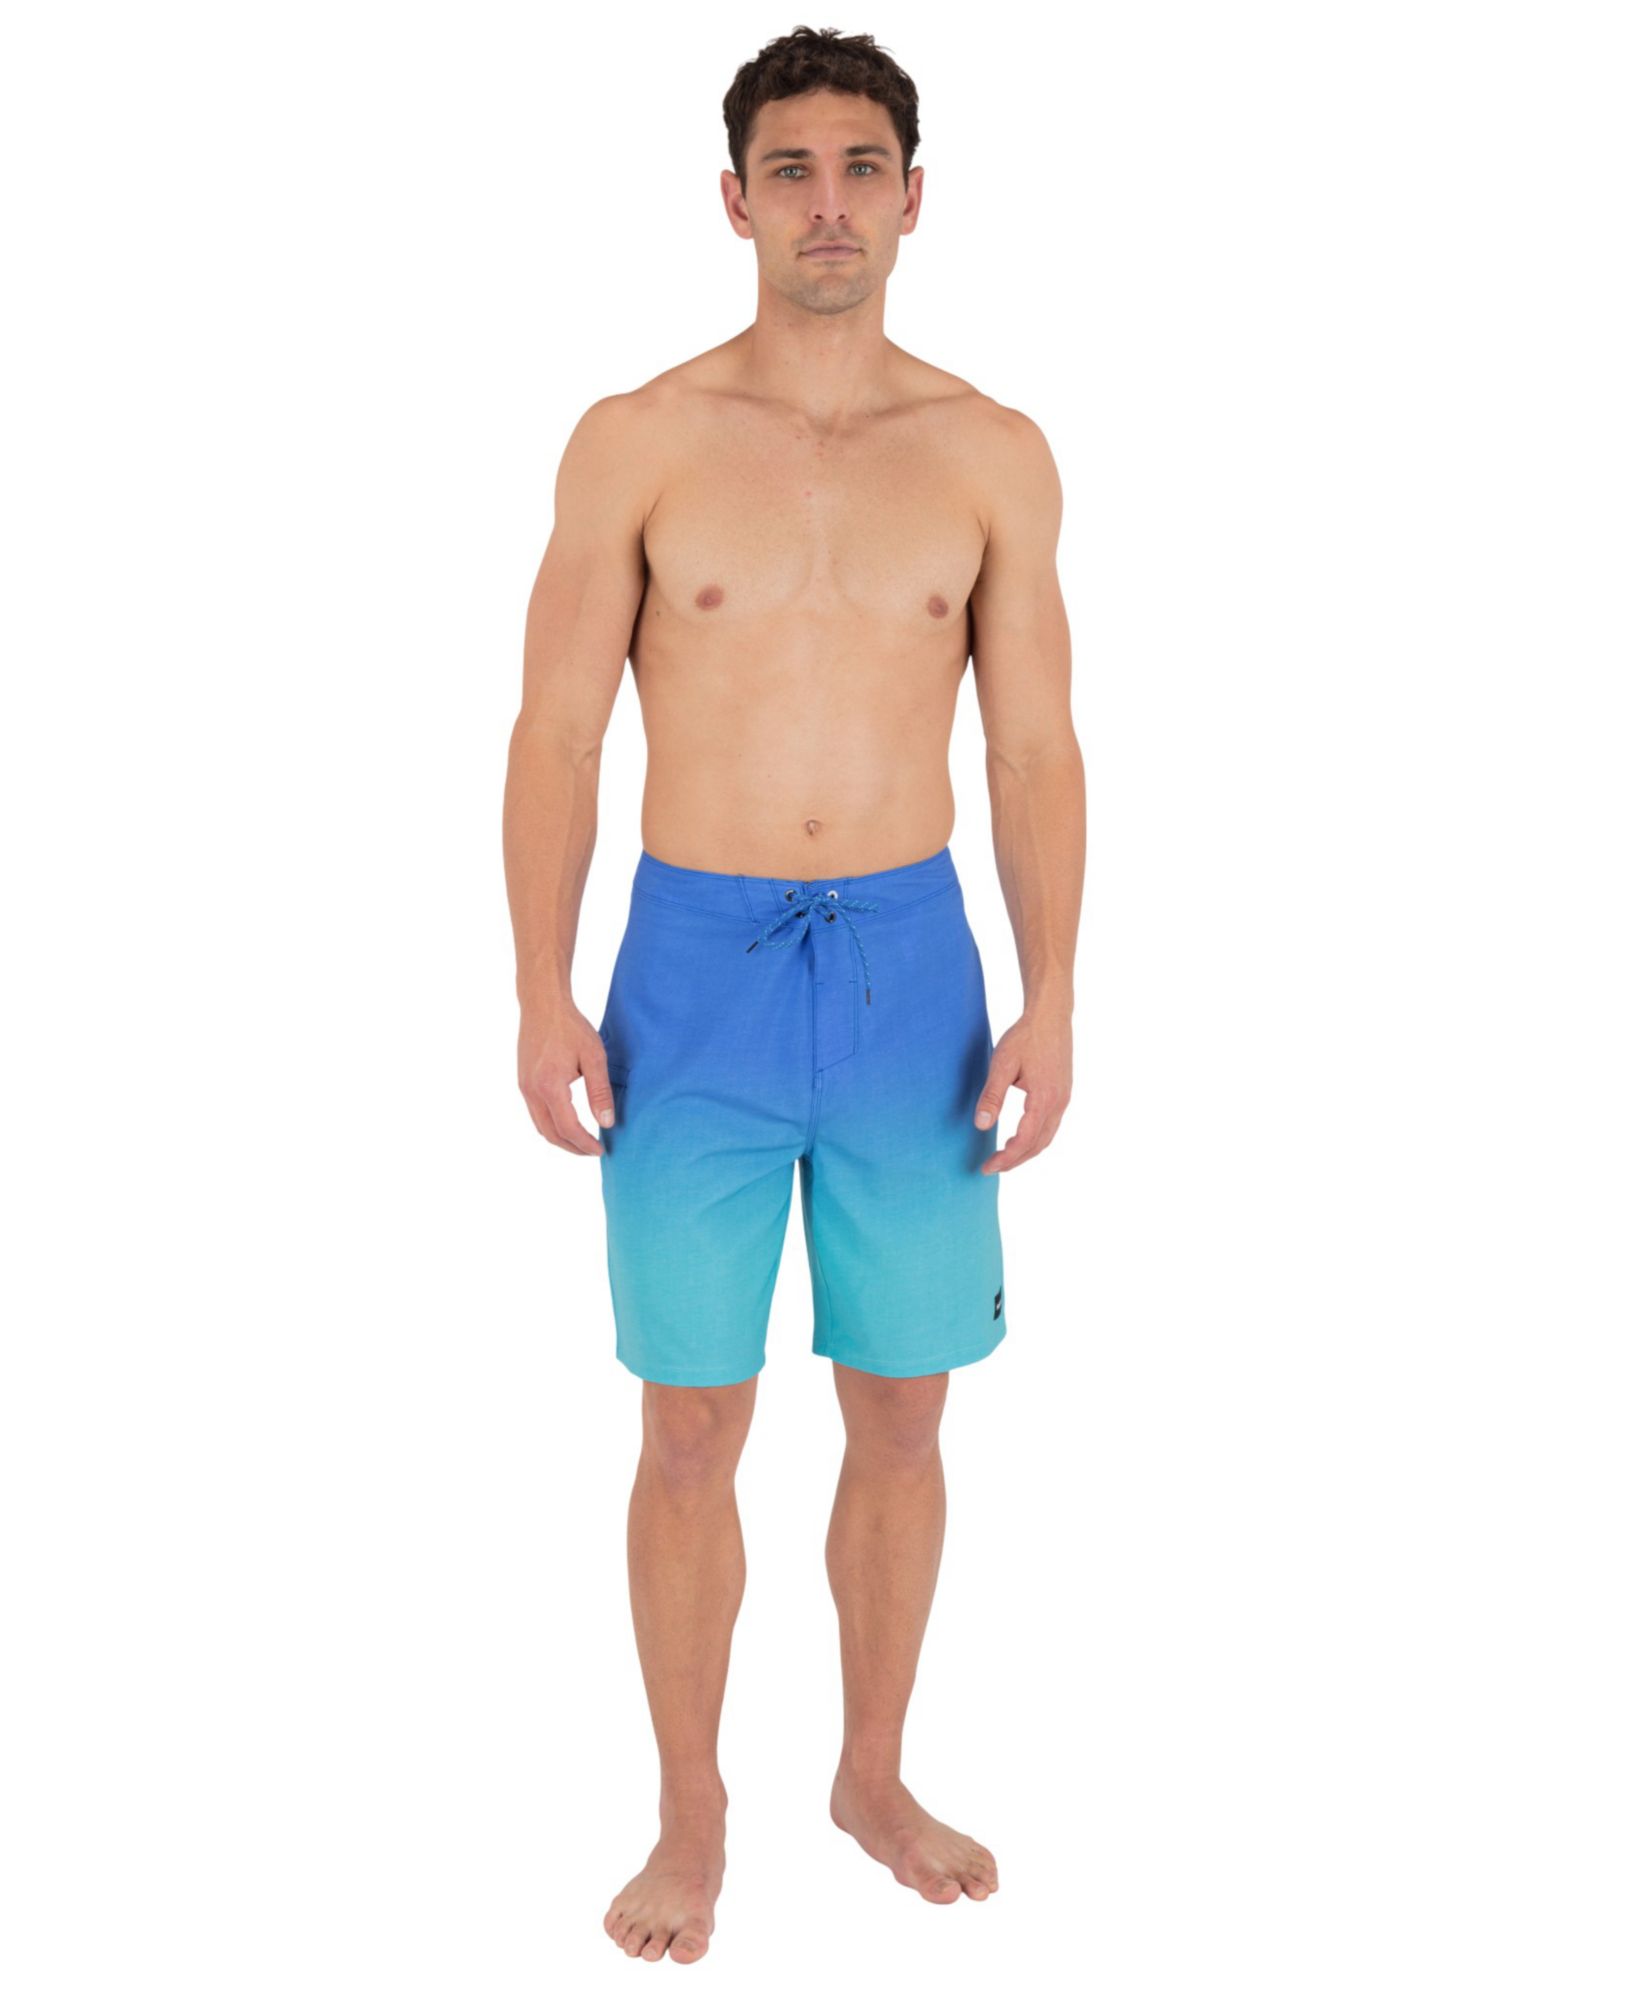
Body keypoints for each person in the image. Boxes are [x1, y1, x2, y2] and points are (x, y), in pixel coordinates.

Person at [502, 25, 1083, 1967]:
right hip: (694, 972)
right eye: (790, 168)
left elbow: (1034, 750)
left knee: (905, 1412)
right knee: (689, 1424)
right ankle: (693, 1809)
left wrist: (1055, 991)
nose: (827, 203)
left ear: (915, 198)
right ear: (733, 200)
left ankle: (872, 1771)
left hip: (917, 969)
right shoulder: (639, 438)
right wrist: (537, 987)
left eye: (860, 167)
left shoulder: (991, 453)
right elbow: (557, 731)